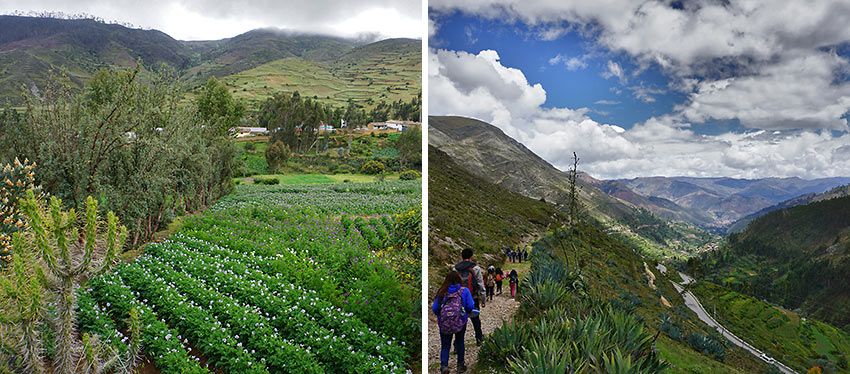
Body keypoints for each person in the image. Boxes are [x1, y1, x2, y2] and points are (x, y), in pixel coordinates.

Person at [433, 270, 474, 374]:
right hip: (460, 321)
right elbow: (470, 306)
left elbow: (435, 309)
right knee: (460, 342)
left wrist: (441, 315)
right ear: (459, 279)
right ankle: (460, 365)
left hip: (444, 323)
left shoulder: (442, 291)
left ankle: (444, 367)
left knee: (445, 345)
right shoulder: (464, 291)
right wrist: (466, 312)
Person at [455, 248, 486, 346]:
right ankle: (479, 338)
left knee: (460, 320)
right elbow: (480, 284)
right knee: (475, 319)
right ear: (471, 257)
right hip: (473, 297)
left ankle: (457, 344)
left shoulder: (455, 269)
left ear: (462, 256)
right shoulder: (475, 268)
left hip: (459, 298)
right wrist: (483, 299)